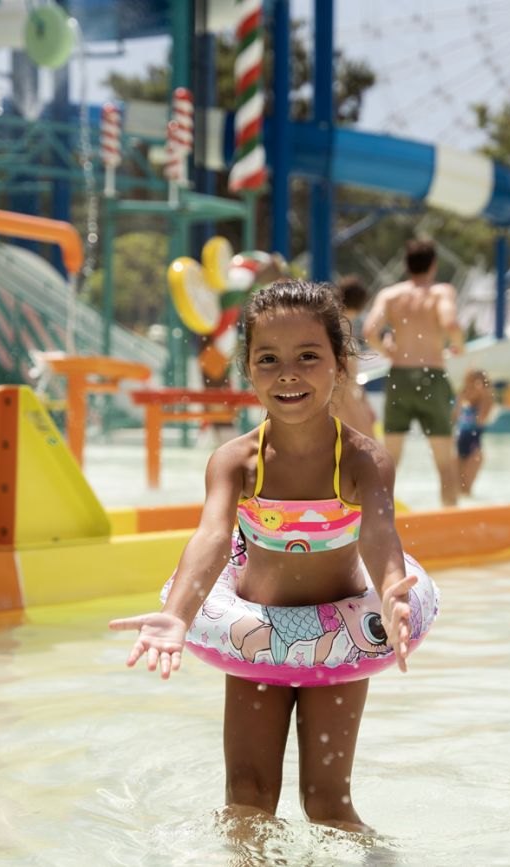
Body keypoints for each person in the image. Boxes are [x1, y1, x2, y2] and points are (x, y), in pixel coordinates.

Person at [108, 280, 421, 835]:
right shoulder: (235, 462)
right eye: (268, 359)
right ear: (248, 370)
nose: (288, 374)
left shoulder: (363, 461)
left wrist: (394, 588)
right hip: (258, 635)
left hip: (339, 637)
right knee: (247, 797)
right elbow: (211, 537)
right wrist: (178, 614)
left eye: (308, 357)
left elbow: (379, 534)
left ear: (340, 366)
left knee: (326, 804)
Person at [363, 238, 465, 507]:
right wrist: (458, 346)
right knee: (444, 462)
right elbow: (452, 324)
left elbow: (369, 331)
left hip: (399, 377)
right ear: (433, 265)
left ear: (406, 265)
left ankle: (377, 514)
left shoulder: (390, 295)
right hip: (432, 376)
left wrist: (386, 351)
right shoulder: (440, 292)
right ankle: (450, 519)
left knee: (390, 459)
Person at [333, 275, 379, 438]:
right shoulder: (341, 326)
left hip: (341, 395)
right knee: (368, 445)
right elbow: (349, 372)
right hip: (343, 396)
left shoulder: (337, 323)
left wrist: (364, 402)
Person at [455, 369, 493, 496]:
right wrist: (460, 399)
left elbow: (480, 420)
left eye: (476, 384)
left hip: (474, 449)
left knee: (466, 490)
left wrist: (482, 395)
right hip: (459, 445)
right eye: (469, 383)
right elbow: (453, 419)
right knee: (457, 490)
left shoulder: (486, 400)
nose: (472, 387)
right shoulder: (463, 401)